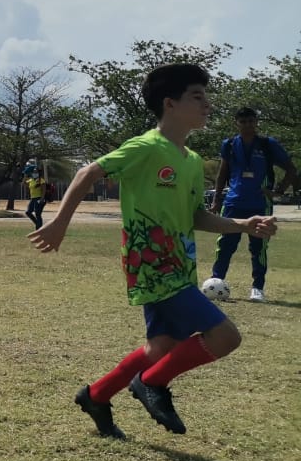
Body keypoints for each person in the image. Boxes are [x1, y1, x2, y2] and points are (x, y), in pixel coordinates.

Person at [29, 64, 276, 439]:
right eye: (197, 97)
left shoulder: (192, 161)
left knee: (159, 347)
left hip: (180, 265)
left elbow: (196, 216)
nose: (207, 105)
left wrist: (242, 224)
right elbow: (87, 173)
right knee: (226, 337)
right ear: (170, 103)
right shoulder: (145, 147)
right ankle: (152, 385)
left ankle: (95, 396)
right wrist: (60, 221)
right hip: (151, 263)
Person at [209, 107, 296, 301]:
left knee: (258, 248)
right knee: (225, 245)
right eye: (243, 121)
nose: (248, 125)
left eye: (251, 121)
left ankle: (257, 288)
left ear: (257, 122)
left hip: (259, 203)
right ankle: (216, 282)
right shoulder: (229, 144)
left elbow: (291, 169)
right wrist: (217, 200)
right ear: (236, 123)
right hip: (233, 202)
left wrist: (278, 191)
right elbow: (222, 173)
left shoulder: (267, 144)